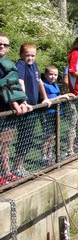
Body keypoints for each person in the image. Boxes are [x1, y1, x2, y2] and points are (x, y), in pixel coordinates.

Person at [14, 42, 53, 176]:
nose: (30, 58)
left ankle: (19, 166)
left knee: (28, 138)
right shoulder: (21, 65)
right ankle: (17, 167)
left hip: (33, 107)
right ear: (21, 55)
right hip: (26, 107)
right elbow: (20, 82)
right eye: (27, 55)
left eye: (33, 55)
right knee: (24, 138)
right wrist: (23, 100)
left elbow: (39, 82)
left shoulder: (34, 66)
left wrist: (45, 98)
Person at [0, 33, 32, 184]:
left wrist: (22, 102)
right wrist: (14, 103)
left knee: (6, 143)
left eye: (5, 45)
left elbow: (14, 84)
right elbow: (4, 85)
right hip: (3, 109)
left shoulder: (7, 64)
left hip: (8, 111)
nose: (2, 47)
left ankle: (6, 172)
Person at [40, 66, 74, 165]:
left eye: (55, 75)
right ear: (45, 75)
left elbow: (57, 96)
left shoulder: (55, 86)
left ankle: (49, 154)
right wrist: (62, 96)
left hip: (56, 113)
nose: (53, 77)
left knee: (53, 135)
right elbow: (46, 100)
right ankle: (44, 156)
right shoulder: (43, 85)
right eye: (50, 74)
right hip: (47, 113)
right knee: (47, 135)